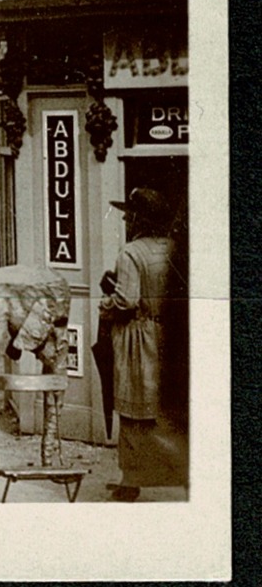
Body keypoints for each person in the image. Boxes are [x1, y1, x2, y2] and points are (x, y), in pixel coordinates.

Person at [99, 187, 188, 501]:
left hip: (140, 337)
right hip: (170, 334)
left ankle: (131, 481)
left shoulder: (131, 252)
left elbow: (127, 300)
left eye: (128, 214)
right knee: (163, 406)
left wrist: (106, 303)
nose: (125, 218)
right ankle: (172, 473)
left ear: (138, 218)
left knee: (132, 409)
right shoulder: (173, 247)